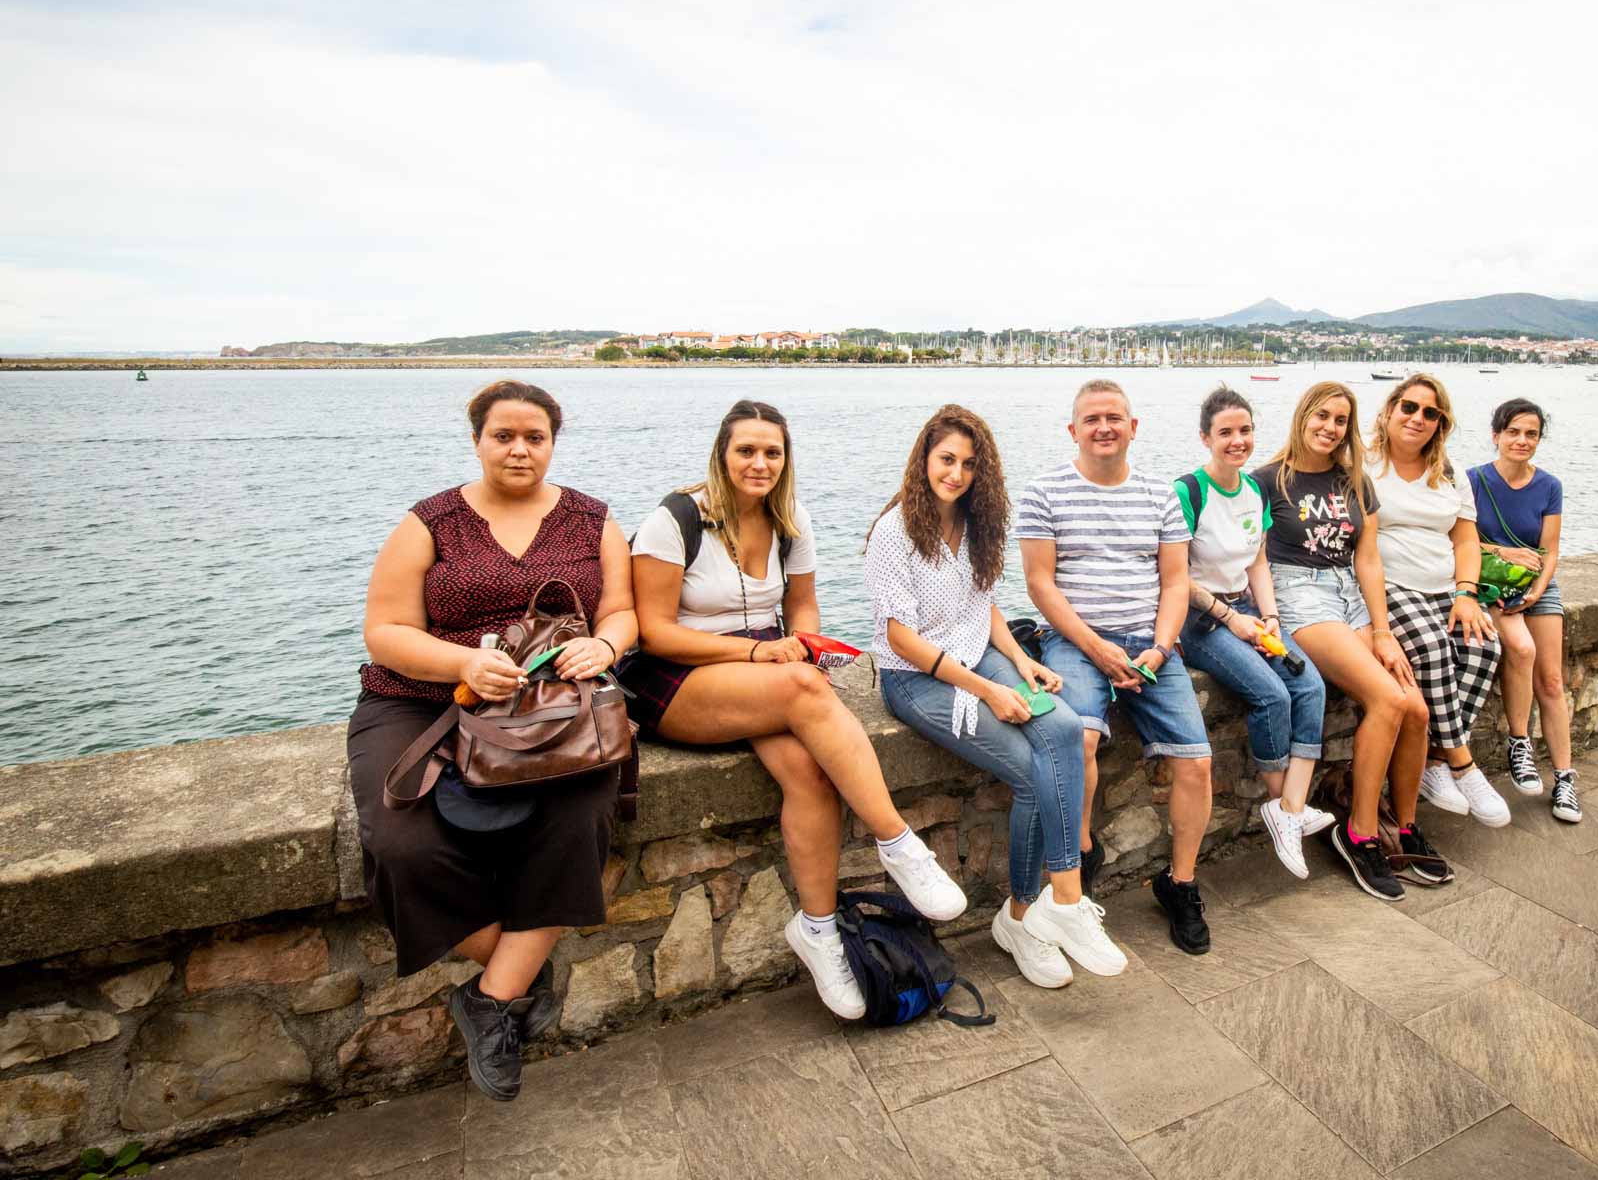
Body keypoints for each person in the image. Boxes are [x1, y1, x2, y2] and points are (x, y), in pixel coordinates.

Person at [622, 398, 967, 1021]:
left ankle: (818, 929)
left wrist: (803, 645)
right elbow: (652, 632)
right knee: (807, 692)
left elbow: (803, 608)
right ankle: (900, 844)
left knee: (810, 774)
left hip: (758, 675)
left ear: (786, 459)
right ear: (721, 454)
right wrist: (761, 658)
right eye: (746, 450)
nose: (759, 463)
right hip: (677, 678)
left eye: (772, 452)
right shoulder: (674, 521)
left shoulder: (790, 520)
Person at [356, 380, 638, 1102]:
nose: (519, 449)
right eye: (503, 436)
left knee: (578, 823)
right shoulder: (431, 522)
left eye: (534, 437)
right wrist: (461, 662)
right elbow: (384, 631)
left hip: (553, 714)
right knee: (399, 845)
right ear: (478, 439)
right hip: (424, 704)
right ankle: (520, 973)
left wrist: (604, 647)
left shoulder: (591, 520)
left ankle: (488, 998)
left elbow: (623, 611)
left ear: (553, 442)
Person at [865, 405, 1125, 987]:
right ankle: (1030, 914)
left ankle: (1051, 907)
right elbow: (897, 638)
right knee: (1032, 773)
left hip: (976, 651)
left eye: (968, 465)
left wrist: (1022, 661)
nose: (956, 474)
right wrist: (988, 690)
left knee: (1061, 727)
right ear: (924, 460)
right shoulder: (894, 531)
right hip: (917, 676)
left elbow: (982, 607)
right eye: (946, 460)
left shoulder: (975, 524)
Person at [1017, 379, 1217, 955]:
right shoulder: (1045, 491)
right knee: (1077, 739)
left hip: (1151, 645)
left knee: (1197, 762)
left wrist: (1158, 647)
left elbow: (1176, 581)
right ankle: (1080, 854)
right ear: (1073, 430)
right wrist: (1098, 649)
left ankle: (1180, 885)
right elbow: (1040, 584)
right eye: (1091, 418)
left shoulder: (1160, 494)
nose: (1103, 427)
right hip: (1075, 642)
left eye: (1114, 417)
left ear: (1134, 427)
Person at [1252, 382, 1431, 902]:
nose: (1330, 428)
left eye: (1340, 420)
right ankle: (1361, 833)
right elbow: (1249, 556)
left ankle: (1407, 826)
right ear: (1303, 415)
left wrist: (1382, 630)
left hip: (1350, 595)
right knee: (1388, 699)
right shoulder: (1266, 481)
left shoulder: (1354, 479)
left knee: (1416, 711)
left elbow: (1368, 559)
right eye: (1322, 416)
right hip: (1299, 596)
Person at [1173, 386, 1335, 880]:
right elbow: (1175, 578)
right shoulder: (1188, 492)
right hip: (1199, 619)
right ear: (1206, 438)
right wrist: (1229, 617)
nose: (1237, 440)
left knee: (1309, 684)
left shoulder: (1255, 489)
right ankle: (1280, 806)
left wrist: (1269, 617)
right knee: (1271, 695)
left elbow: (1259, 561)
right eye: (1226, 432)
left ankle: (1291, 806)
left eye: (1244, 430)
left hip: (1247, 609)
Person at [1365, 375, 1510, 840]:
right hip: (1392, 585)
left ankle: (1432, 760)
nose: (1418, 418)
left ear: (1440, 424)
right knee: (1430, 649)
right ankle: (1463, 764)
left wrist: (1467, 593)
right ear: (1390, 410)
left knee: (1484, 646)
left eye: (1431, 413)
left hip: (1446, 587)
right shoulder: (1364, 465)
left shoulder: (1449, 473)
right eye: (1409, 407)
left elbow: (1466, 539)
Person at [1470, 398, 1578, 823]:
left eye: (1531, 433)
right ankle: (1520, 744)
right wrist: (1505, 551)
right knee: (1522, 650)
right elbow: (1460, 541)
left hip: (1536, 586)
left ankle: (1565, 779)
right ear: (1496, 435)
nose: (1522, 440)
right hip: (1494, 584)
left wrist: (1536, 588)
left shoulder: (1549, 486)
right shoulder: (1475, 480)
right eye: (1513, 431)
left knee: (1551, 681)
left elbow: (1550, 549)